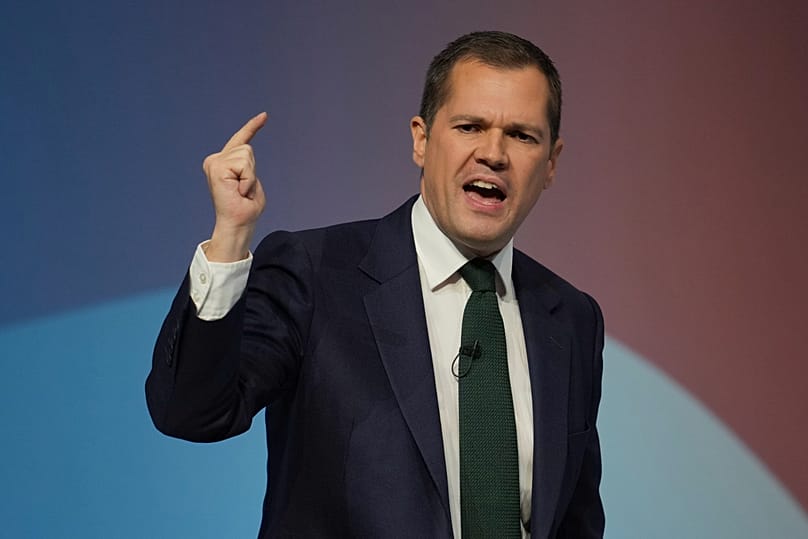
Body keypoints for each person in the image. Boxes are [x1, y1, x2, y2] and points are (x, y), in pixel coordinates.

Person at [147, 31, 604, 538]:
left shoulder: (571, 317)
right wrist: (230, 237)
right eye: (470, 126)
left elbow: (575, 519)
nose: (493, 153)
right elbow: (193, 413)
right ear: (422, 140)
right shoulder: (315, 273)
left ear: (552, 163)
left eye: (522, 135)